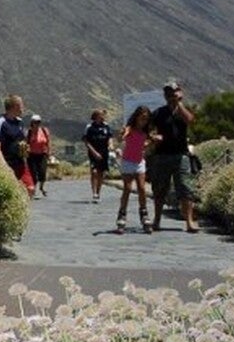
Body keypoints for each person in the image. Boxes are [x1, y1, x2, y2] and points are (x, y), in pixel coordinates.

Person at [149, 81, 199, 232]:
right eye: (168, 93)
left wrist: (179, 104)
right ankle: (156, 220)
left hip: (181, 155)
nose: (171, 96)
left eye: (174, 92)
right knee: (159, 189)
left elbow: (190, 121)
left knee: (185, 188)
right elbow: (148, 130)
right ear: (165, 96)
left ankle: (189, 222)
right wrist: (153, 137)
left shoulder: (183, 111)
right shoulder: (159, 112)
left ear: (180, 93)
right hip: (162, 155)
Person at [116, 105, 153, 233]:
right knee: (127, 188)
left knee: (142, 188)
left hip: (139, 162)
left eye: (146, 119)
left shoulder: (146, 132)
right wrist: (121, 135)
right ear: (136, 117)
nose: (144, 121)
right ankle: (122, 214)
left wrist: (149, 144)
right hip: (127, 162)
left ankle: (144, 214)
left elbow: (147, 144)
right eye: (142, 118)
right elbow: (123, 135)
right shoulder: (130, 128)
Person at [0, 95, 34, 196]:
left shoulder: (20, 122)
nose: (23, 108)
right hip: (7, 163)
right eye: (21, 105)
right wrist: (4, 165)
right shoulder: (1, 122)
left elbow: (22, 140)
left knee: (30, 189)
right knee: (10, 193)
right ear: (15, 106)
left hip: (20, 163)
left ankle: (22, 207)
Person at [83, 108, 113, 203]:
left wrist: (111, 144)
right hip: (93, 152)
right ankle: (94, 192)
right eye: (101, 115)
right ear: (96, 116)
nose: (103, 117)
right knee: (94, 172)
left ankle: (98, 192)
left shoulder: (106, 126)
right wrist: (94, 152)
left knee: (101, 173)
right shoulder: (90, 127)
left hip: (104, 152)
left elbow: (110, 137)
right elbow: (86, 141)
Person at [26, 114, 51, 197]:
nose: (37, 124)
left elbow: (48, 142)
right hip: (32, 155)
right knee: (33, 174)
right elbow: (26, 143)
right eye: (35, 122)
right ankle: (34, 190)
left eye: (38, 122)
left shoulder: (44, 130)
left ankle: (41, 187)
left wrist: (49, 152)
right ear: (32, 123)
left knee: (42, 172)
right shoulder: (29, 132)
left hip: (42, 154)